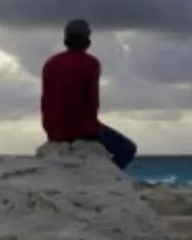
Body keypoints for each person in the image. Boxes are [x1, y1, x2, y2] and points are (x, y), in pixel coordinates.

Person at [40, 19, 137, 171]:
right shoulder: (90, 63)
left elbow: (46, 99)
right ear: (86, 39)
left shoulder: (51, 63)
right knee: (128, 149)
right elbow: (92, 102)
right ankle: (108, 174)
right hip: (80, 128)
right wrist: (91, 127)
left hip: (53, 129)